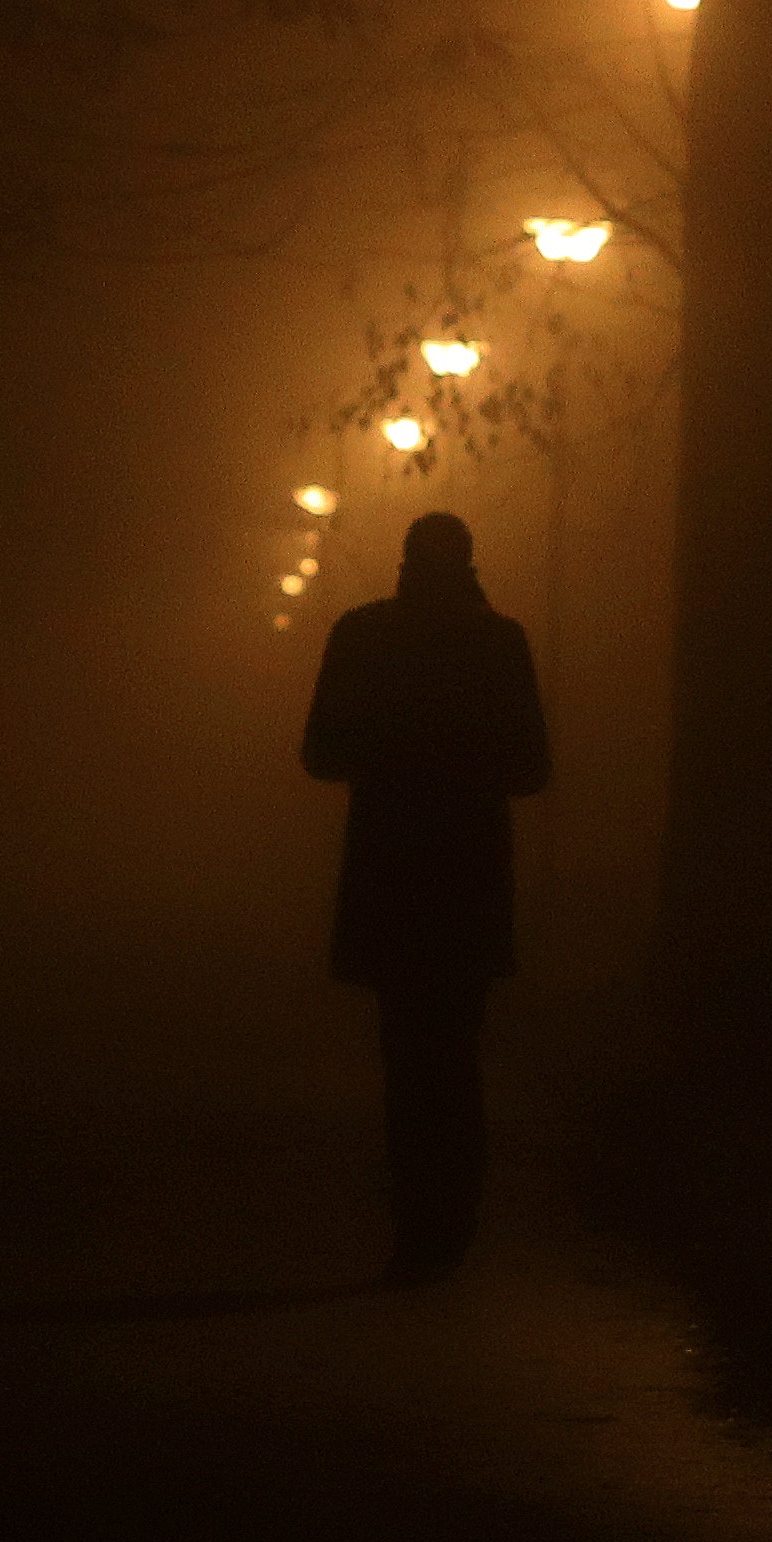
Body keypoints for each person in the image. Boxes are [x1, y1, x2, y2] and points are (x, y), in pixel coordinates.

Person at [300, 510, 554, 1281]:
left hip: (391, 872)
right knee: (456, 1053)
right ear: (469, 563)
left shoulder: (362, 635)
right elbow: (531, 768)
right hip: (469, 875)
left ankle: (419, 1225)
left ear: (404, 561)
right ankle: (452, 1221)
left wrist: (391, 755)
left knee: (406, 1055)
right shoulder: (499, 642)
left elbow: (320, 754)